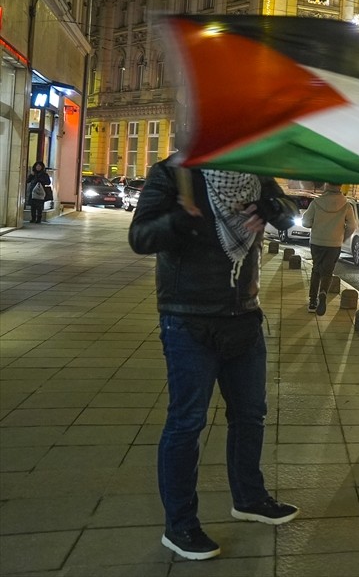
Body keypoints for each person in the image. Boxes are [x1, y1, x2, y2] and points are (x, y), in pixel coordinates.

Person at [129, 161, 301, 561]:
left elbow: (289, 212)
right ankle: (180, 525)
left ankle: (249, 498)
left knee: (250, 415)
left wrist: (274, 208)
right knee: (186, 422)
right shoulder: (173, 174)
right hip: (188, 317)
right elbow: (140, 237)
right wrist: (179, 221)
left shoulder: (254, 172)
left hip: (243, 314)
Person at [302, 183, 357, 315]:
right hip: (334, 243)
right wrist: (343, 237)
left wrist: (316, 224)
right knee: (327, 272)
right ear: (340, 187)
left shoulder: (316, 203)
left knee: (316, 269)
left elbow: (305, 222)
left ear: (327, 186)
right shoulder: (346, 205)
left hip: (317, 241)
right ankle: (323, 293)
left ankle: (312, 302)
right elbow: (352, 226)